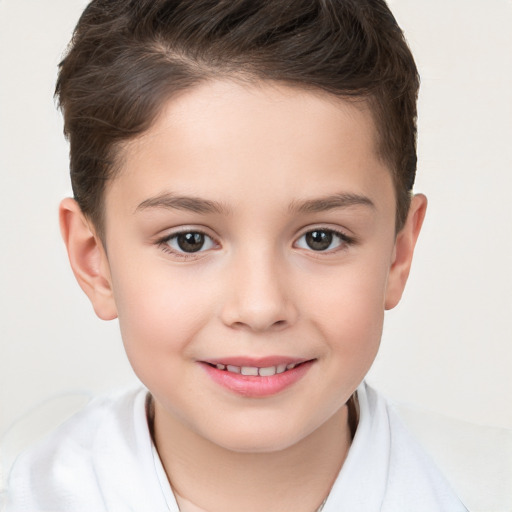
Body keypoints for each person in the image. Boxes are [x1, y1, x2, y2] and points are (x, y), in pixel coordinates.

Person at [4, 0, 469, 510]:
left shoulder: (484, 485)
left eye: (321, 238)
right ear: (95, 260)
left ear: (398, 254)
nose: (259, 306)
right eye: (189, 240)